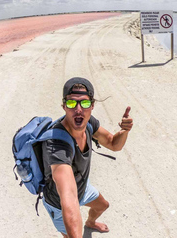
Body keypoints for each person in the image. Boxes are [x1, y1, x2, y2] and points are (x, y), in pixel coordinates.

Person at [41, 77, 133, 238]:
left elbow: (114, 144)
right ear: (64, 106)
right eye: (71, 103)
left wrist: (124, 131)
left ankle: (90, 223)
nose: (78, 109)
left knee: (102, 206)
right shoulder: (56, 144)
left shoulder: (89, 123)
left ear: (92, 105)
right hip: (59, 203)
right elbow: (68, 197)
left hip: (82, 188)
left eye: (84, 103)